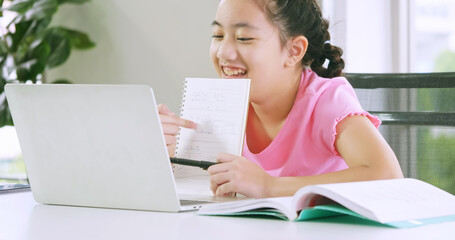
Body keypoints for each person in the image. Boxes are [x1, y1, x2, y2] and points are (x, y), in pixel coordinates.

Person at [158, 0, 403, 198]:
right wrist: (166, 156)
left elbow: (389, 177)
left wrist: (270, 187)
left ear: (293, 51)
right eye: (218, 35)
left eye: (244, 38)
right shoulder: (221, 104)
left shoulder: (326, 100)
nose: (223, 52)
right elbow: (204, 191)